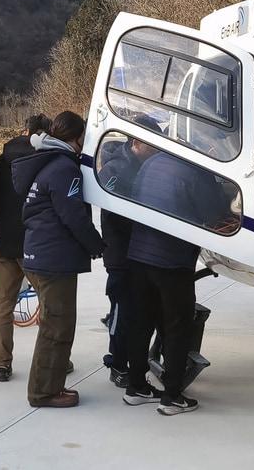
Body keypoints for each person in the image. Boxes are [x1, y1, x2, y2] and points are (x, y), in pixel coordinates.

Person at [10, 111, 105, 408]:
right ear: (75, 138)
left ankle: (49, 383)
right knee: (57, 327)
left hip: (41, 253)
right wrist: (96, 245)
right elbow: (73, 216)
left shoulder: (47, 162)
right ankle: (44, 392)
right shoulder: (64, 169)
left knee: (55, 324)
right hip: (54, 259)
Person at [124, 150, 228, 415]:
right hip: (171, 260)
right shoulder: (195, 170)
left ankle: (135, 385)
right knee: (176, 326)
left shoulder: (152, 162)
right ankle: (172, 396)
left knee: (141, 323)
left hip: (138, 255)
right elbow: (214, 212)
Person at [0, 113, 51, 382]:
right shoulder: (43, 160)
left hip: (4, 243)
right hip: (34, 245)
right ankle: (52, 359)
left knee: (2, 306)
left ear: (23, 129)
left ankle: (1, 364)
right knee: (49, 304)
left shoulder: (2, 160)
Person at [95, 115, 161, 388]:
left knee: (140, 312)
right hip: (122, 256)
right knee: (122, 312)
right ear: (136, 143)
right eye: (152, 145)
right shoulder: (115, 170)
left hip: (142, 254)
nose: (157, 151)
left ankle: (136, 359)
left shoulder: (144, 165)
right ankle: (118, 363)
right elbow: (112, 213)